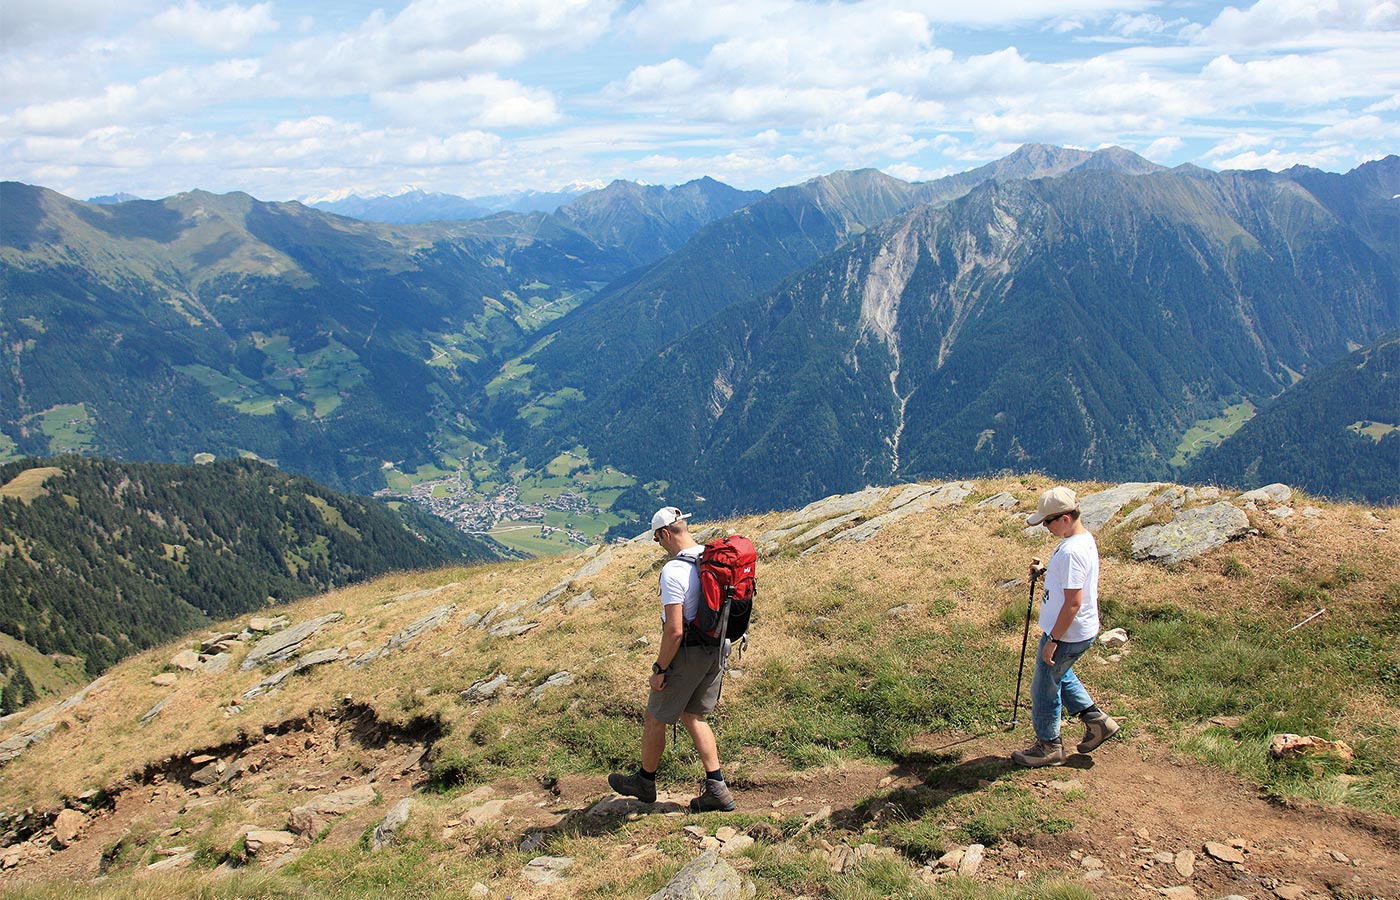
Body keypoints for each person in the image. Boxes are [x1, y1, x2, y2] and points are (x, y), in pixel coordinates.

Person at [608, 507, 736, 811]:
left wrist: (660, 668)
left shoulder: (673, 571)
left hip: (688, 653)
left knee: (655, 716)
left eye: (657, 540)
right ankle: (717, 788)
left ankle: (645, 781)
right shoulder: (712, 556)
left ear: (665, 534)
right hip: (717, 648)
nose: (660, 545)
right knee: (693, 715)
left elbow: (675, 631)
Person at [1012, 486, 1121, 767]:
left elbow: (1073, 602)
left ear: (1065, 518)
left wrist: (1054, 639)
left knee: (1044, 687)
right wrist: (1046, 571)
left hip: (1067, 634)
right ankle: (1097, 722)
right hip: (1073, 632)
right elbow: (1072, 580)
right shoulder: (1080, 540)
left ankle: (1049, 746)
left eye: (1048, 521)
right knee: (1058, 672)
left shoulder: (1072, 551)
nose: (1045, 527)